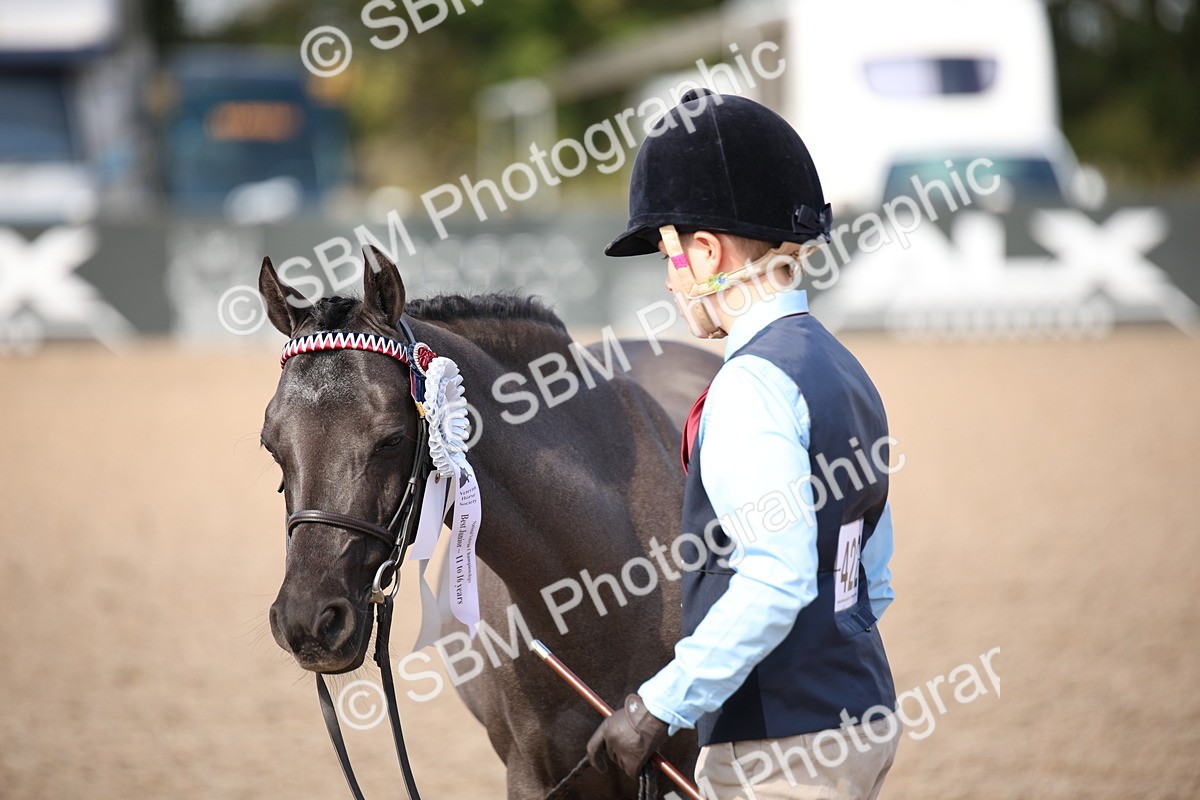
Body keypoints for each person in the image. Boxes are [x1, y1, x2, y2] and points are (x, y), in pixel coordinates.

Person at [587, 89, 901, 799]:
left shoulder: (750, 385)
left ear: (706, 252)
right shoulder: (841, 366)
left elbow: (778, 575)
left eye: (669, 256)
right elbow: (869, 573)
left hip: (782, 748)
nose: (669, 280)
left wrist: (657, 706)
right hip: (858, 714)